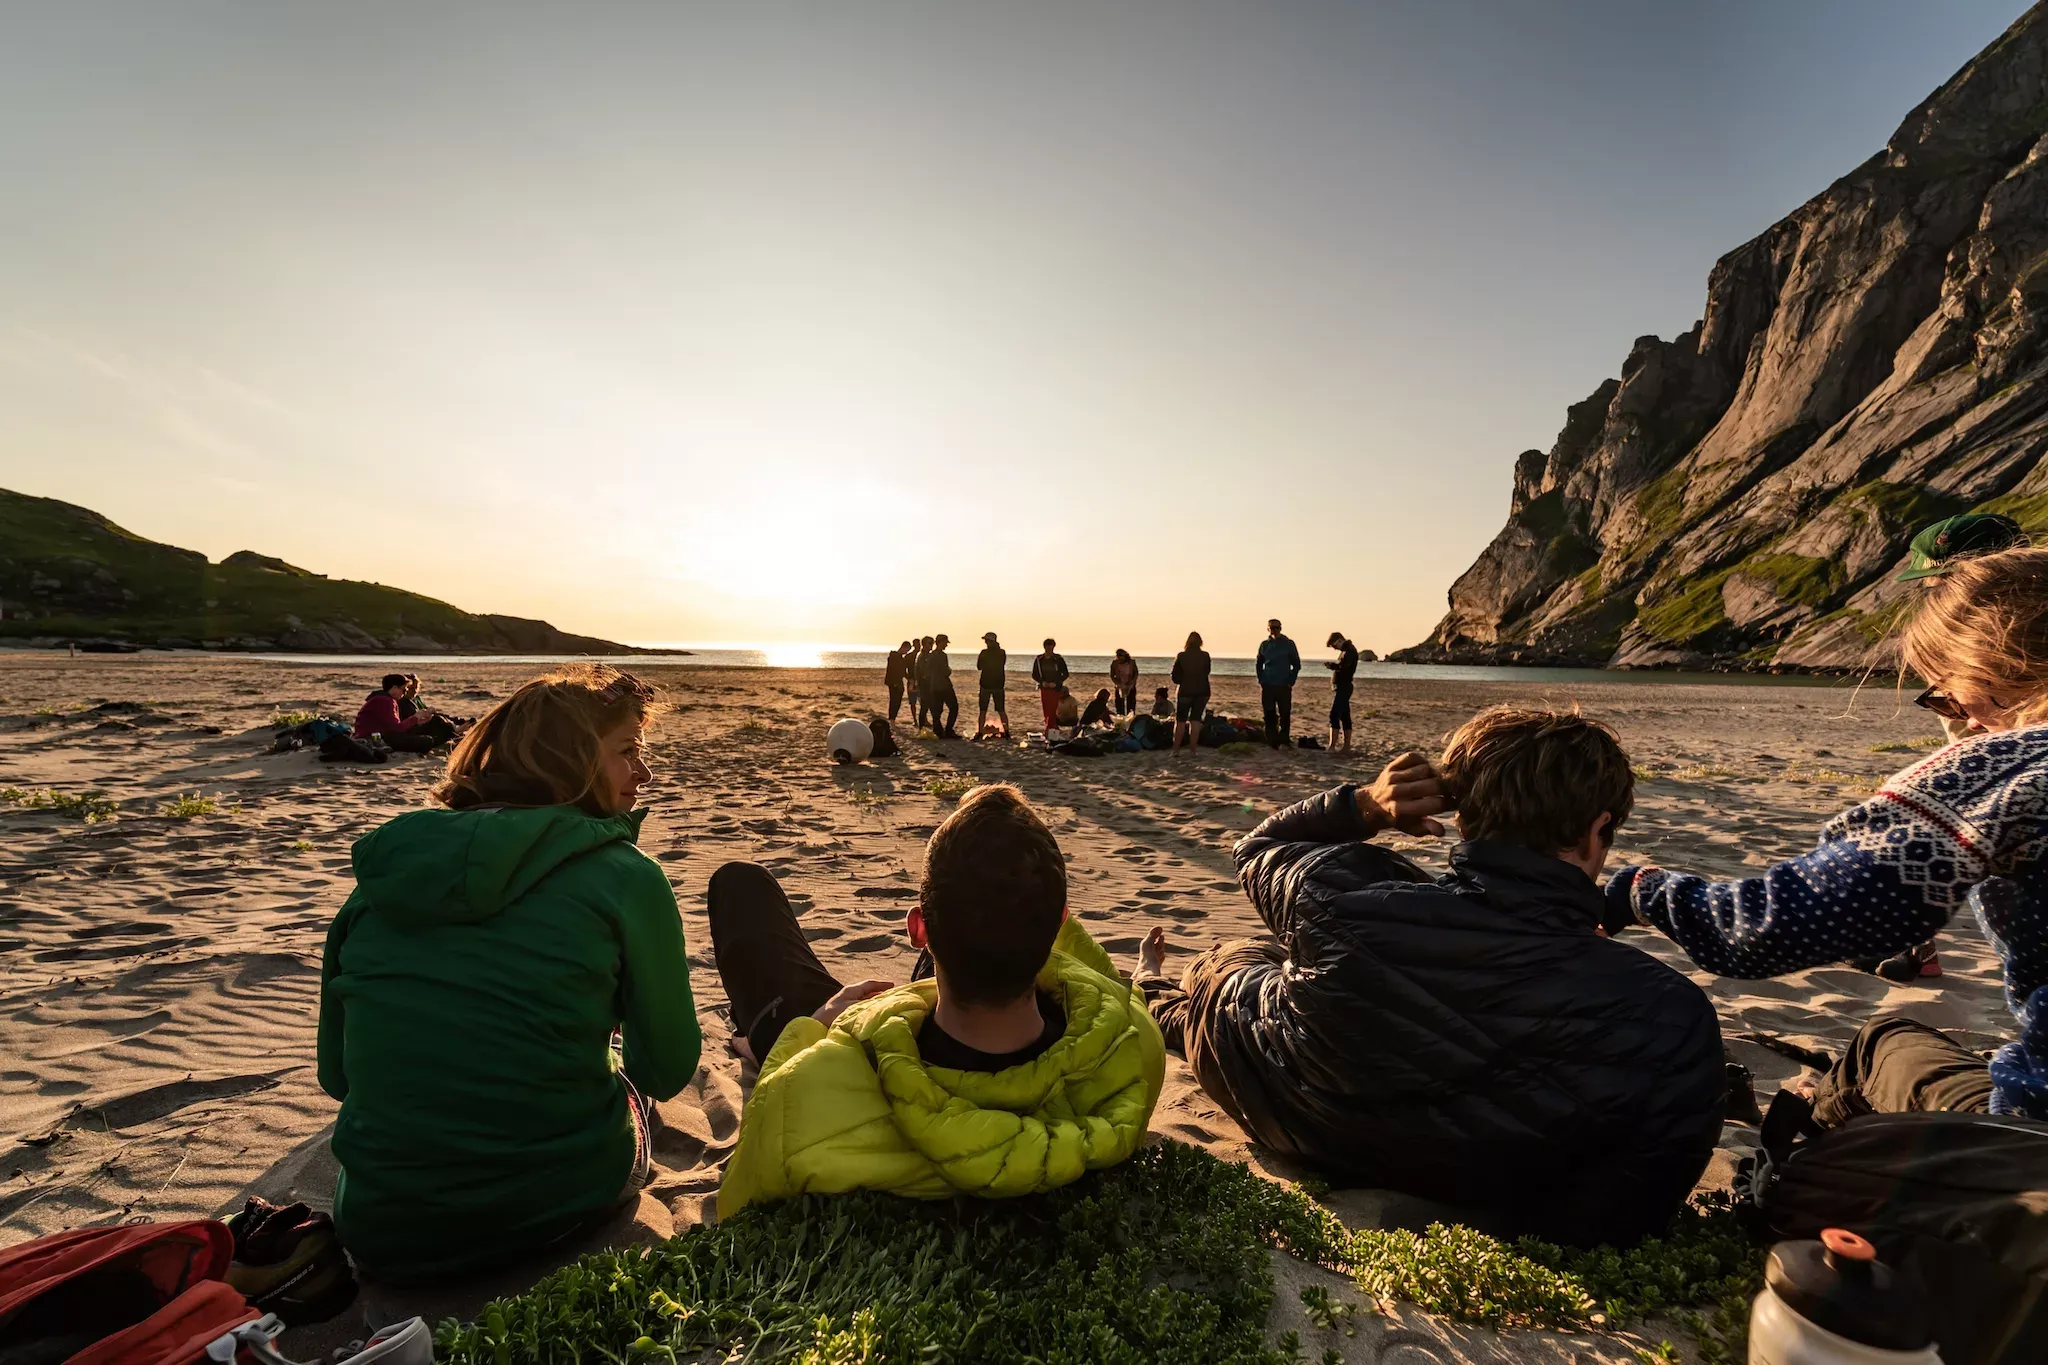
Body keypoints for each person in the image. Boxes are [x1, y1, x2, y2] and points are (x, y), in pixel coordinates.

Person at [1138, 708, 1723, 1248]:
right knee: (1283, 967)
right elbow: (1630, 1207)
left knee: (1234, 960)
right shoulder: (1675, 1014)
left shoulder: (1344, 893)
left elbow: (1259, 846)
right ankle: (1164, 991)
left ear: (1459, 813)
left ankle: (1153, 987)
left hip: (1292, 1114)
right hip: (1477, 1179)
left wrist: (1366, 805)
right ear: (1599, 830)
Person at [1609, 547, 2048, 1125]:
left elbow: (1791, 922)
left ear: (1994, 666)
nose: (1957, 718)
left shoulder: (2013, 766)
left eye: (1945, 692)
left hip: (2031, 1126)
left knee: (1878, 1049)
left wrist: (1638, 891)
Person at [318, 666, 700, 1281]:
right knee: (627, 1091)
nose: (645, 773)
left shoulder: (380, 884)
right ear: (570, 761)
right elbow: (666, 1069)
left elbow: (337, 1078)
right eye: (628, 752)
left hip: (378, 1230)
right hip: (551, 1211)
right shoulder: (624, 875)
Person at [712, 783, 1166, 1215]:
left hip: (849, 1049)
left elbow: (737, 1203)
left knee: (738, 882)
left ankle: (760, 1039)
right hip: (972, 993)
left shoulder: (800, 1095)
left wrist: (811, 1027)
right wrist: (1147, 970)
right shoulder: (1135, 1046)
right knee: (988, 882)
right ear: (1061, 923)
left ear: (917, 930)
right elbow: (1113, 990)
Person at [1865, 513, 2027, 982]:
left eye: (1945, 580)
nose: (1939, 594)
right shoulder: (1952, 638)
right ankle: (1920, 951)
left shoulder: (2013, 634)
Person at [353, 674, 451, 754]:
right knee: (427, 740)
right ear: (394, 688)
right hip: (376, 738)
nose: (405, 692)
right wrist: (415, 718)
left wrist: (418, 721)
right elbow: (397, 728)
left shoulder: (383, 698)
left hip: (381, 734)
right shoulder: (385, 701)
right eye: (404, 689)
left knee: (432, 725)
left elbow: (394, 725)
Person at [1256, 619, 1301, 749]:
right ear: (1268, 629)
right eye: (1271, 628)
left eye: (1276, 628)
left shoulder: (1288, 644)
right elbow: (1259, 664)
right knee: (1269, 713)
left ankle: (1284, 739)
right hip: (1268, 684)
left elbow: (1296, 665)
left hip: (1283, 684)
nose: (1274, 630)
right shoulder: (1264, 645)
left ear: (1280, 628)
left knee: (1285, 713)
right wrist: (1261, 679)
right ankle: (1271, 739)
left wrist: (1290, 681)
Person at [1170, 632, 1210, 754]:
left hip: (1185, 691)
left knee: (1181, 721)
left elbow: (1175, 677)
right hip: (1202, 690)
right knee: (1196, 720)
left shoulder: (1181, 656)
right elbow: (1207, 671)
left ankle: (1176, 749)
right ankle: (1193, 749)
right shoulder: (1205, 656)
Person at [1324, 632, 1359, 753]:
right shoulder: (1346, 650)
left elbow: (1344, 667)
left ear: (1339, 640)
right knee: (1344, 716)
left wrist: (1333, 666)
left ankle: (1332, 746)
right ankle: (1346, 746)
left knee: (1334, 714)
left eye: (1334, 646)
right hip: (1341, 686)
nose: (1335, 648)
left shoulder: (1350, 651)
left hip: (1344, 686)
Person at [925, 633, 960, 738]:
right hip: (944, 686)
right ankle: (948, 730)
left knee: (937, 710)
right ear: (940, 643)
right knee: (954, 707)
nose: (946, 645)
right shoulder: (942, 655)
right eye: (945, 643)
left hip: (934, 686)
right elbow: (945, 671)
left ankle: (938, 730)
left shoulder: (930, 655)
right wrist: (949, 671)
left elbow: (926, 673)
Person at [975, 632, 1009, 739]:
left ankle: (980, 732)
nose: (985, 642)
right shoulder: (1001, 652)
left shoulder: (985, 653)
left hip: (986, 684)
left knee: (983, 710)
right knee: (1001, 710)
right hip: (998, 684)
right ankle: (1007, 732)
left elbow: (979, 666)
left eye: (986, 640)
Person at [1032, 639, 1069, 733]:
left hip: (1055, 688)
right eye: (1047, 646)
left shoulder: (1058, 659)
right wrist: (1041, 682)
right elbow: (1034, 674)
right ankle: (1049, 726)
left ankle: (1051, 727)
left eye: (1051, 646)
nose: (1049, 649)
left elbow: (1065, 673)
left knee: (1053, 708)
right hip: (1044, 687)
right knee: (1046, 708)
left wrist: (1056, 683)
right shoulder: (1039, 659)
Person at [886, 642, 912, 723]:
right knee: (894, 700)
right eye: (907, 650)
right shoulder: (893, 657)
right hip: (893, 682)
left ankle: (893, 718)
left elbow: (903, 672)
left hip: (899, 681)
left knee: (897, 701)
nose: (906, 652)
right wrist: (894, 682)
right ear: (903, 647)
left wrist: (909, 679)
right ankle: (891, 719)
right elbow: (892, 670)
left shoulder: (901, 659)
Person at [1110, 650, 1140, 716]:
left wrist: (1132, 682)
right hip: (1120, 685)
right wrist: (1117, 683)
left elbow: (1136, 673)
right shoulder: (1115, 663)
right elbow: (1112, 675)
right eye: (1118, 656)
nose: (1119, 658)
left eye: (1121, 656)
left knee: (1131, 704)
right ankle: (1121, 717)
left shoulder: (1131, 662)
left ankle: (1130, 718)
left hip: (1130, 685)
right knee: (1119, 704)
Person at [905, 638, 925, 728]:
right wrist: (909, 678)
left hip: (919, 681)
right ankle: (915, 720)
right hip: (913, 680)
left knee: (922, 701)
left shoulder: (922, 656)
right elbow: (903, 669)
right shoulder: (909, 656)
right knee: (914, 702)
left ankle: (920, 720)